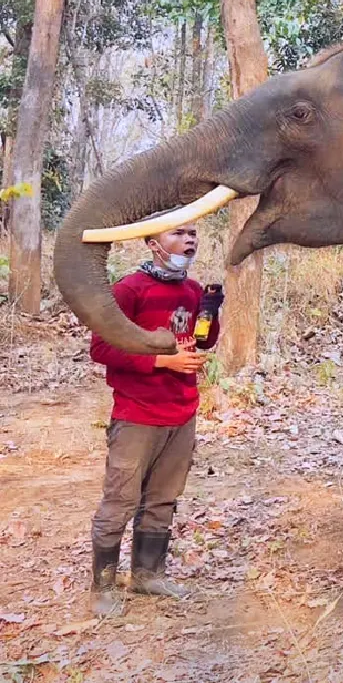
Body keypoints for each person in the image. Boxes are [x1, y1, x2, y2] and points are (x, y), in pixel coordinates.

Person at [87, 222, 224, 617]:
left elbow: (203, 341)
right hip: (137, 413)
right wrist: (164, 360)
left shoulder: (192, 289)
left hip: (182, 410)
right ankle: (102, 587)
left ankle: (148, 575)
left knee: (163, 497)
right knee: (121, 499)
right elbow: (101, 348)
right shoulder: (129, 290)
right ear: (152, 244)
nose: (189, 240)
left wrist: (209, 313)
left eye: (194, 233)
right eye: (177, 234)